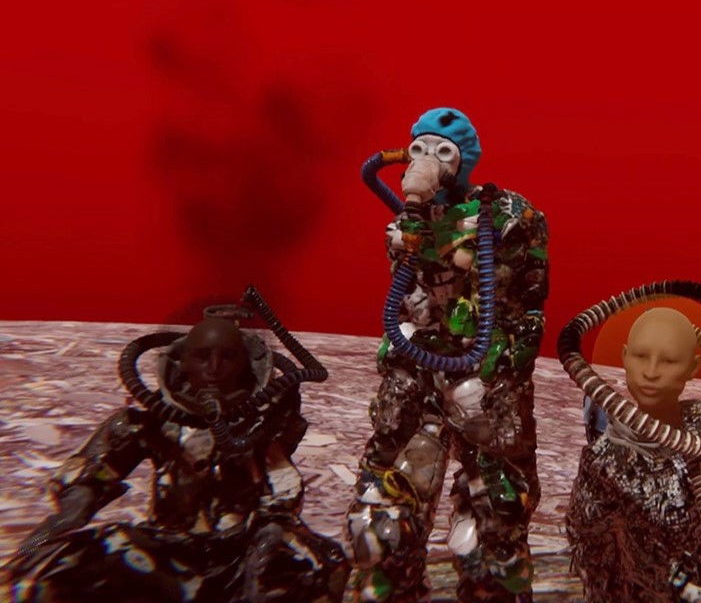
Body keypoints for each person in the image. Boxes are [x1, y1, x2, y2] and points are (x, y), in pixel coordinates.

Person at [3, 312, 348, 603]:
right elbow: (95, 475)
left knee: (321, 565)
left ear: (246, 364)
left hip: (243, 551)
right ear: (182, 363)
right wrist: (65, 518)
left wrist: (269, 539)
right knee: (69, 566)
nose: (214, 369)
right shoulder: (148, 423)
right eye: (202, 357)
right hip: (165, 550)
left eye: (228, 357)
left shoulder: (264, 422)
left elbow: (282, 488)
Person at [348, 108, 549, 603]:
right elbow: (407, 297)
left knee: (496, 518)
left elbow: (528, 302)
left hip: (484, 381)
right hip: (416, 375)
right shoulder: (409, 223)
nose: (427, 161)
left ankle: (491, 586)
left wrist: (504, 365)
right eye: (418, 149)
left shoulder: (510, 217)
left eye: (442, 151)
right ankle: (391, 583)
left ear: (462, 160)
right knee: (384, 514)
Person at [565, 307, 701, 602]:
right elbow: (590, 550)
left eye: (669, 361)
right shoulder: (602, 462)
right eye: (641, 356)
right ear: (624, 357)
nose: (651, 372)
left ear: (693, 367)